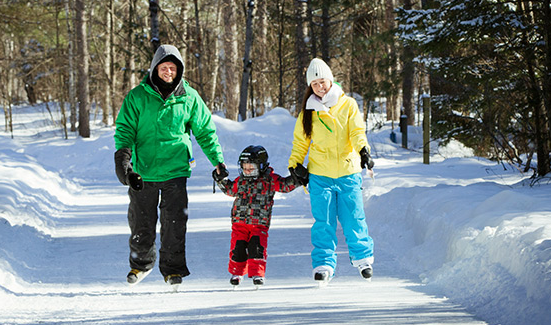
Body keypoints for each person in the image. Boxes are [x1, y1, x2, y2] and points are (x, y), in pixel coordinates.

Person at [114, 44, 227, 287]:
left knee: (174, 224)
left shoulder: (189, 97)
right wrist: (124, 161)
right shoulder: (137, 97)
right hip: (143, 171)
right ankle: (140, 264)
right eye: (164, 67)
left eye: (173, 68)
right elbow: (125, 131)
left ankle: (173, 270)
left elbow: (205, 131)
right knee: (140, 221)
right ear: (155, 69)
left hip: (176, 169)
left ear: (179, 71)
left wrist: (217, 160)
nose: (168, 72)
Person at [288, 57, 375, 283]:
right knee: (323, 222)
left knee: (353, 218)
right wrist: (295, 165)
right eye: (315, 84)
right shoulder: (308, 111)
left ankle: (363, 258)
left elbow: (356, 132)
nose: (320, 87)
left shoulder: (348, 105)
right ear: (310, 86)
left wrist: (363, 150)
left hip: (348, 172)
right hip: (320, 175)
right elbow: (300, 143)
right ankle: (323, 263)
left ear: (331, 80)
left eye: (323, 81)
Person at [213, 145, 301, 287]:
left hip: (259, 224)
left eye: (251, 168)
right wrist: (220, 179)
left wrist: (297, 178)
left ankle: (257, 274)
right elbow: (229, 190)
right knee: (238, 248)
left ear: (261, 166)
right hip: (239, 223)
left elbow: (285, 185)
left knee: (257, 249)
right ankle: (236, 273)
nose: (247, 171)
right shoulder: (241, 181)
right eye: (244, 167)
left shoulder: (270, 180)